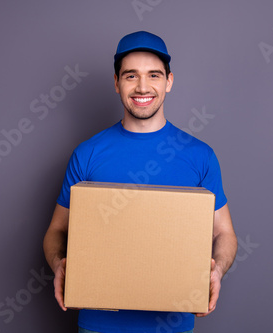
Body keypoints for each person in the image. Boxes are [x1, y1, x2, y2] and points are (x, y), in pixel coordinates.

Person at [43, 31, 238, 333]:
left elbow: (225, 233)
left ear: (169, 81)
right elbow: (56, 230)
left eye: (154, 75)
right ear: (116, 82)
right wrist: (59, 264)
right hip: (99, 324)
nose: (143, 87)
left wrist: (218, 270)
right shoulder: (88, 154)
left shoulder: (200, 156)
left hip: (172, 324)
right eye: (131, 76)